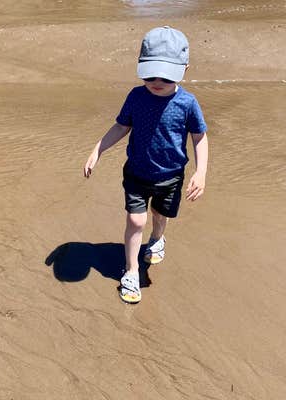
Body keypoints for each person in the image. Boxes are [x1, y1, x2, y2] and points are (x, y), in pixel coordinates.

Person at [83, 26, 209, 304]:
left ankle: (158, 238)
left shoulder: (187, 103)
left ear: (185, 69)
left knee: (159, 215)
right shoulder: (136, 97)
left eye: (165, 75)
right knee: (135, 220)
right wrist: (98, 149)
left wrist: (200, 172)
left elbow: (199, 137)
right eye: (150, 73)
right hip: (137, 173)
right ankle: (131, 271)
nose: (156, 80)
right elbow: (121, 126)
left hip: (171, 177)